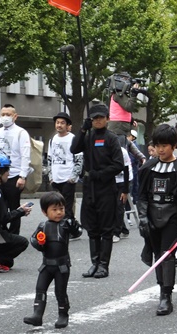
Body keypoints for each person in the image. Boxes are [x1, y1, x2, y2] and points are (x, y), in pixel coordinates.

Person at [137, 124, 177, 315]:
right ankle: (161, 288)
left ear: (174, 145)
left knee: (166, 255)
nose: (161, 149)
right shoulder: (147, 167)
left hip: (172, 217)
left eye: (165, 145)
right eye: (158, 145)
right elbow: (142, 195)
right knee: (156, 255)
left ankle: (166, 296)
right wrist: (143, 218)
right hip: (152, 215)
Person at [70, 103, 124, 279]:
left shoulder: (111, 138)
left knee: (106, 228)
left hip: (106, 187)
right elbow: (74, 148)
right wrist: (82, 130)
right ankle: (94, 263)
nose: (98, 120)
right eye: (94, 118)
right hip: (89, 187)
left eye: (101, 117)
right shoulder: (88, 136)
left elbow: (118, 164)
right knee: (92, 227)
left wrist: (99, 174)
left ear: (107, 119)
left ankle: (103, 265)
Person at [24, 191, 82, 328]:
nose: (58, 212)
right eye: (54, 209)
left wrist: (74, 227)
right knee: (40, 288)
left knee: (60, 292)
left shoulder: (66, 224)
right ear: (45, 212)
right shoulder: (42, 226)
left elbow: (78, 232)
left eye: (61, 209)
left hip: (61, 266)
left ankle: (63, 315)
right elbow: (33, 239)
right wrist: (39, 243)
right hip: (46, 265)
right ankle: (37, 315)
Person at [0, 104, 31, 234]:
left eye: (8, 114)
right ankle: (0, 231)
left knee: (14, 207)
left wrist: (22, 176)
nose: (5, 117)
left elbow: (25, 155)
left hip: (14, 176)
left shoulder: (21, 133)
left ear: (15, 116)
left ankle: (14, 234)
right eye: (3, 114)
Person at [0, 154, 31, 272]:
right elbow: (2, 219)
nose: (9, 173)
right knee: (22, 243)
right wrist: (20, 211)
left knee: (8, 262)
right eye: (7, 169)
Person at [47, 112, 83, 239]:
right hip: (56, 178)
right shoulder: (53, 140)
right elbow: (49, 159)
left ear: (68, 125)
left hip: (68, 177)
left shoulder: (73, 139)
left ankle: (69, 229)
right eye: (57, 122)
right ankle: (58, 228)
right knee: (55, 204)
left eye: (62, 123)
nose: (59, 125)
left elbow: (79, 159)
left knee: (67, 206)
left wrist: (73, 177)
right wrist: (50, 176)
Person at [113, 145, 132, 243]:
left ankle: (116, 232)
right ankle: (123, 228)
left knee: (119, 205)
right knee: (112, 206)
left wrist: (125, 190)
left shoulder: (122, 152)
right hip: (111, 180)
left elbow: (127, 170)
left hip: (123, 180)